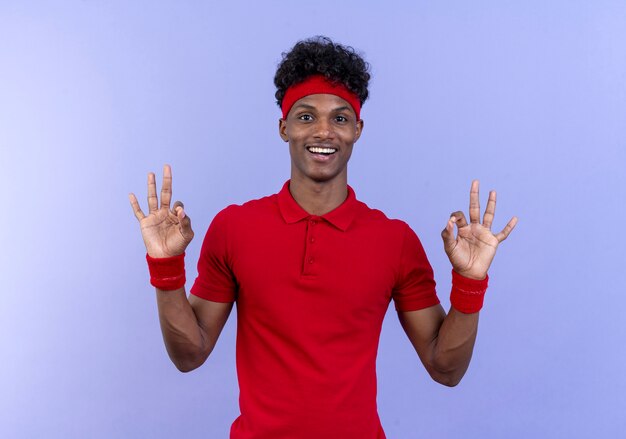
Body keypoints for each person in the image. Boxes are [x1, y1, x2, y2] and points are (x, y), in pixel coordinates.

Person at [129, 36, 517, 439]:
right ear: (284, 127)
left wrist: (470, 284)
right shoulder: (235, 228)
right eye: (306, 116)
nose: (324, 131)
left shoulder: (394, 240)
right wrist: (166, 268)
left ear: (358, 130)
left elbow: (446, 369)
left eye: (340, 118)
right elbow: (189, 355)